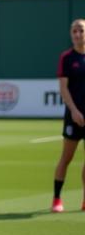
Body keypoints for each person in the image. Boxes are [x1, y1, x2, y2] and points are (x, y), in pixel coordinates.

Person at [51, 17, 85, 212]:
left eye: (81, 30)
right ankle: (56, 198)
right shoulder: (67, 57)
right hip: (73, 116)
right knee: (67, 157)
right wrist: (74, 111)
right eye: (75, 31)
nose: (78, 34)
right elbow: (64, 89)